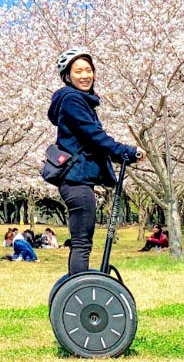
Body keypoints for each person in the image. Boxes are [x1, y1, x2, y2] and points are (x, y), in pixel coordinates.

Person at [48, 48, 145, 275]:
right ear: (67, 76)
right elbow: (94, 136)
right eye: (78, 71)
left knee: (82, 241)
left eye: (89, 70)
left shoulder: (78, 101)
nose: (85, 75)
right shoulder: (72, 100)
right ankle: (79, 291)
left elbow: (93, 140)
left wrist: (123, 154)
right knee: (82, 243)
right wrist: (128, 152)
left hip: (78, 179)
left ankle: (77, 289)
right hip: (76, 181)